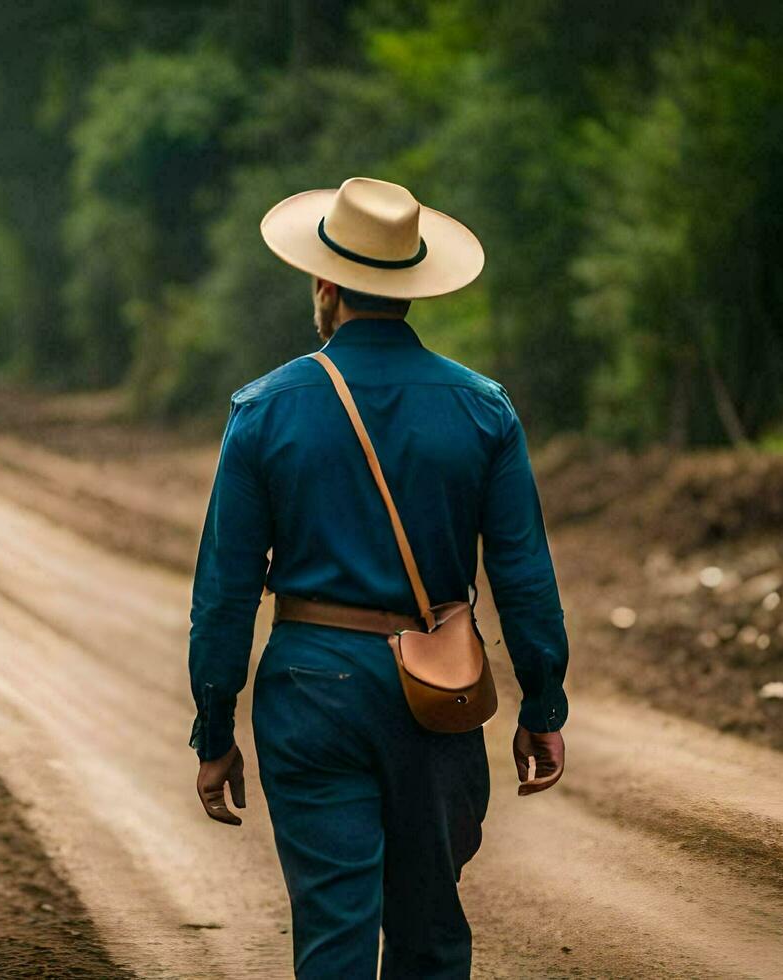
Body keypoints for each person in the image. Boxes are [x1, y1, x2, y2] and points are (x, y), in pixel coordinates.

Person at [188, 177, 569, 978]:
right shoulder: (484, 410)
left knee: (334, 939)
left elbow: (224, 590)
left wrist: (216, 727)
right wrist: (542, 701)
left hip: (310, 691)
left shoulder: (265, 411)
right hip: (438, 694)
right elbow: (524, 575)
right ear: (411, 289)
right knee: (430, 936)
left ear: (324, 284)